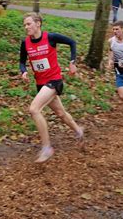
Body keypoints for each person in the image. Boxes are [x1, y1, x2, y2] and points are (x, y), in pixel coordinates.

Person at [19, 12, 84, 163]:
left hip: (54, 81)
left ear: (38, 24)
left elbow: (72, 42)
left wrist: (72, 62)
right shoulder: (25, 43)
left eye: (28, 24)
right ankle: (78, 131)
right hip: (40, 84)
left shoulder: (51, 37)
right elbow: (22, 61)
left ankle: (47, 147)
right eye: (24, 25)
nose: (26, 27)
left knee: (34, 109)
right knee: (61, 113)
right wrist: (23, 71)